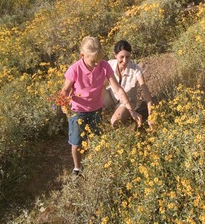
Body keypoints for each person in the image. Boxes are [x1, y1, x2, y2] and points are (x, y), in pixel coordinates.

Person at [60, 36, 142, 178]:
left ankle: (94, 164)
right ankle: (77, 168)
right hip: (77, 111)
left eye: (99, 59)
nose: (97, 63)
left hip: (96, 110)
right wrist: (64, 104)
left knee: (96, 139)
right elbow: (65, 90)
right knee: (77, 142)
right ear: (82, 55)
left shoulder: (104, 66)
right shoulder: (74, 69)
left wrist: (131, 110)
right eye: (93, 61)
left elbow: (118, 90)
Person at [103, 39, 154, 129]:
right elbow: (100, 84)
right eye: (121, 57)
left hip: (127, 102)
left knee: (115, 122)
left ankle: (124, 112)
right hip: (111, 96)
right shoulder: (109, 65)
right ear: (115, 55)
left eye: (127, 57)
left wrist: (151, 114)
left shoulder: (136, 69)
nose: (125, 60)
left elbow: (145, 92)